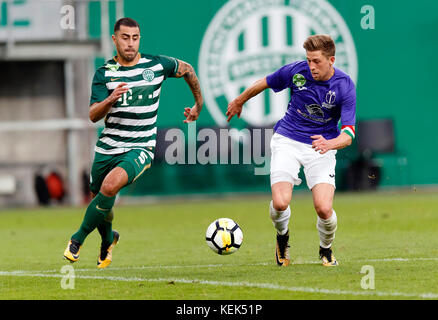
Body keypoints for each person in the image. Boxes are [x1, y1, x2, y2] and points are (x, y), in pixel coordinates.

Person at [64, 17, 203, 268]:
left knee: (110, 186)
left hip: (141, 146)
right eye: (125, 38)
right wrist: (111, 99)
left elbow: (188, 70)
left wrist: (198, 104)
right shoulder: (105, 73)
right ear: (114, 40)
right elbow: (93, 114)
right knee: (100, 197)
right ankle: (108, 240)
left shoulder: (156, 65)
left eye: (135, 38)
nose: (131, 43)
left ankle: (77, 239)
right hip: (108, 147)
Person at [226, 34, 356, 267]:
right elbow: (264, 82)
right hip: (287, 139)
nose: (311, 66)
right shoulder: (296, 72)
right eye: (308, 60)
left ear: (331, 60)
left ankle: (326, 249)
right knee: (280, 202)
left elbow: (348, 135)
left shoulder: (344, 86)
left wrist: (329, 143)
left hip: (322, 145)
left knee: (324, 208)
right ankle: (282, 237)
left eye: (316, 61)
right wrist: (239, 100)